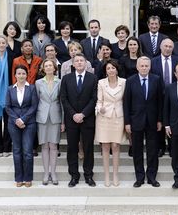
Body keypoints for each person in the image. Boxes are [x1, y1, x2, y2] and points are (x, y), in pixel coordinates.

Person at [123, 56, 163, 188]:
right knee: (137, 150)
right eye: (142, 66)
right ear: (137, 67)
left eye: (147, 66)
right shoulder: (130, 81)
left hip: (152, 121)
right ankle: (139, 177)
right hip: (136, 121)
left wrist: (159, 120)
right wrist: (127, 122)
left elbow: (159, 102)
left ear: (150, 67)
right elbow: (126, 103)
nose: (144, 68)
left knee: (153, 150)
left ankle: (152, 177)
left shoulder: (156, 79)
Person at [60, 53, 98, 188]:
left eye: (82, 60)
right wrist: (74, 114)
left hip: (87, 119)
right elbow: (63, 99)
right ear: (73, 64)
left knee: (88, 148)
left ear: (86, 63)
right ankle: (74, 176)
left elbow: (94, 99)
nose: (80, 63)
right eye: (77, 61)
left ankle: (88, 175)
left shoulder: (93, 78)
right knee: (72, 148)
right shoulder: (66, 79)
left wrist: (83, 114)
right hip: (71, 120)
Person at [5, 65, 38, 188]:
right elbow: (8, 107)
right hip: (13, 124)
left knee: (28, 152)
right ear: (15, 75)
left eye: (23, 73)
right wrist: (16, 120)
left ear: (27, 75)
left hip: (29, 124)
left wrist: (23, 119)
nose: (21, 76)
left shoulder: (32, 88)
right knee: (17, 151)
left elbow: (34, 106)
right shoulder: (10, 89)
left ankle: (28, 177)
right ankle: (19, 178)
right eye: (18, 73)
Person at [95, 60, 126, 187]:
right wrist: (99, 109)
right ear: (105, 71)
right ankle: (107, 176)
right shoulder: (101, 83)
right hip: (104, 117)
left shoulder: (124, 82)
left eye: (113, 68)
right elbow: (99, 101)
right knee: (105, 146)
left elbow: (125, 100)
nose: (111, 70)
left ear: (117, 69)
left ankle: (115, 175)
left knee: (115, 146)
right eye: (108, 68)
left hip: (118, 116)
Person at [150, 38, 178, 157]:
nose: (168, 49)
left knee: (172, 121)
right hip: (158, 96)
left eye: (170, 47)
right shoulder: (153, 61)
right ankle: (160, 147)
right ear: (160, 47)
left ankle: (172, 146)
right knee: (159, 120)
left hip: (174, 95)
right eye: (166, 46)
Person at [35, 59, 63, 186]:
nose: (48, 67)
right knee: (44, 146)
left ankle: (54, 172)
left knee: (53, 146)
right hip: (42, 117)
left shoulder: (60, 82)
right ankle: (46, 173)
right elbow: (36, 101)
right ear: (43, 68)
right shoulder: (38, 83)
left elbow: (62, 102)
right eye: (45, 66)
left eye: (50, 65)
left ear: (54, 67)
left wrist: (63, 121)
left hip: (55, 116)